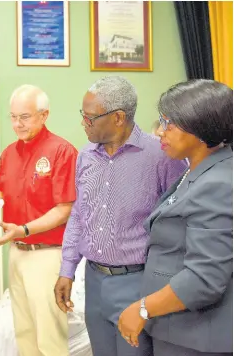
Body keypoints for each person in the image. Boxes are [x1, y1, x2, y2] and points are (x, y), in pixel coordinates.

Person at [54, 76, 187, 356]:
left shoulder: (161, 157)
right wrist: (67, 269)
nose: (83, 123)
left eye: (89, 118)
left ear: (118, 118)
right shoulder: (86, 156)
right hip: (94, 279)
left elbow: (178, 222)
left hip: (138, 281)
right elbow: (79, 215)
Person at [118, 79, 233, 356]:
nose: (159, 131)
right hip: (178, 326)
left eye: (169, 123)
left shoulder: (218, 184)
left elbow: (205, 278)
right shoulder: (197, 172)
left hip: (196, 335)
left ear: (202, 128)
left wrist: (143, 308)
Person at [0, 84, 78, 356]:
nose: (17, 124)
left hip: (47, 255)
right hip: (17, 252)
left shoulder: (62, 151)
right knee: (24, 334)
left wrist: (23, 230)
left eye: (24, 117)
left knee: (50, 337)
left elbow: (64, 209)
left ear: (44, 115)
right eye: (13, 117)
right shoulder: (9, 153)